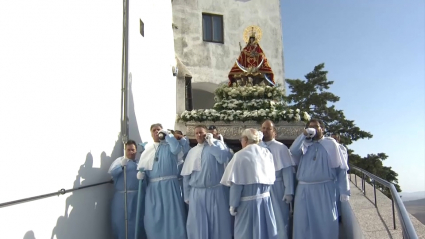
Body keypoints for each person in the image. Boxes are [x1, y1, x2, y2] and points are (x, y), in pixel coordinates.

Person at [290, 119, 350, 239]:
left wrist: (344, 190)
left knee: (326, 221)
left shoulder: (331, 144)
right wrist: (304, 135)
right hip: (304, 189)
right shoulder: (304, 144)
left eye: (316, 127)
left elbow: (341, 168)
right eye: (311, 127)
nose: (314, 129)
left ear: (322, 129)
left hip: (324, 189)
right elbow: (292, 151)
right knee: (303, 222)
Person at [221, 128, 278, 239]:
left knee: (245, 233)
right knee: (264, 232)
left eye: (241, 139)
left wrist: (233, 204)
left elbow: (236, 184)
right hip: (265, 201)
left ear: (246, 140)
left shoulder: (240, 155)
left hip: (247, 205)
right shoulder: (266, 153)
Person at [181, 125, 233, 239]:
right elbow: (186, 175)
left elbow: (223, 158)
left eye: (202, 133)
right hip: (197, 193)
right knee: (197, 223)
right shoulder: (192, 151)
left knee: (218, 221)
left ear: (207, 134)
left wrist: (212, 144)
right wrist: (187, 195)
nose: (199, 135)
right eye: (197, 133)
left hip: (215, 190)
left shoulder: (217, 145)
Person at [137, 123, 187, 239]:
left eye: (158, 130)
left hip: (170, 185)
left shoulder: (170, 145)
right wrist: (141, 175)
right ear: (151, 134)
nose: (156, 132)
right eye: (154, 130)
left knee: (173, 215)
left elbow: (176, 150)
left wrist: (168, 136)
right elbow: (143, 171)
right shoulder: (147, 151)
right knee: (154, 216)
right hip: (154, 188)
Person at [260, 120, 295, 239]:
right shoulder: (256, 147)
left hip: (277, 188)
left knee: (279, 218)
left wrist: (289, 191)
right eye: (263, 128)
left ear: (274, 132)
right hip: (261, 188)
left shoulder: (281, 148)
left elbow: (287, 171)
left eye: (268, 128)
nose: (265, 131)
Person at [108, 140, 147, 239]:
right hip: (122, 196)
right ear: (125, 150)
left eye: (133, 150)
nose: (131, 152)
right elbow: (112, 173)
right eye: (128, 150)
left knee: (137, 220)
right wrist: (121, 166)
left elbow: (146, 179)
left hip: (137, 197)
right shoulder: (119, 161)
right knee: (121, 221)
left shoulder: (139, 163)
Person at [331, 133, 349, 222]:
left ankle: (339, 216)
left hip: (338, 176)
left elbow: (343, 163)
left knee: (337, 197)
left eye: (335, 138)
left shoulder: (342, 148)